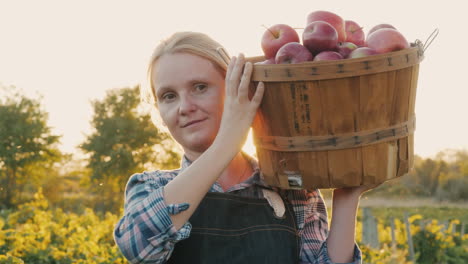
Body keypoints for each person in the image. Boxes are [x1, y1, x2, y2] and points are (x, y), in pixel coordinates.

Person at [113, 31, 378, 264]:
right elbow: (138, 246)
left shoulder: (292, 190)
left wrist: (347, 197)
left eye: (200, 87)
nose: (184, 107)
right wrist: (226, 143)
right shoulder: (151, 187)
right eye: (169, 96)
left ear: (236, 89)